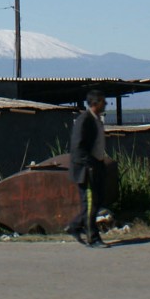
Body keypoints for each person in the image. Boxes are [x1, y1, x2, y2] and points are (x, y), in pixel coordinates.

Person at [66, 90, 108, 248]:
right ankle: (93, 238)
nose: (106, 104)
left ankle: (75, 226)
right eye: (103, 101)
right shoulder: (84, 120)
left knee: (96, 202)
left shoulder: (97, 120)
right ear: (95, 103)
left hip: (96, 166)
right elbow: (77, 147)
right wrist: (88, 165)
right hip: (86, 170)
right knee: (90, 204)